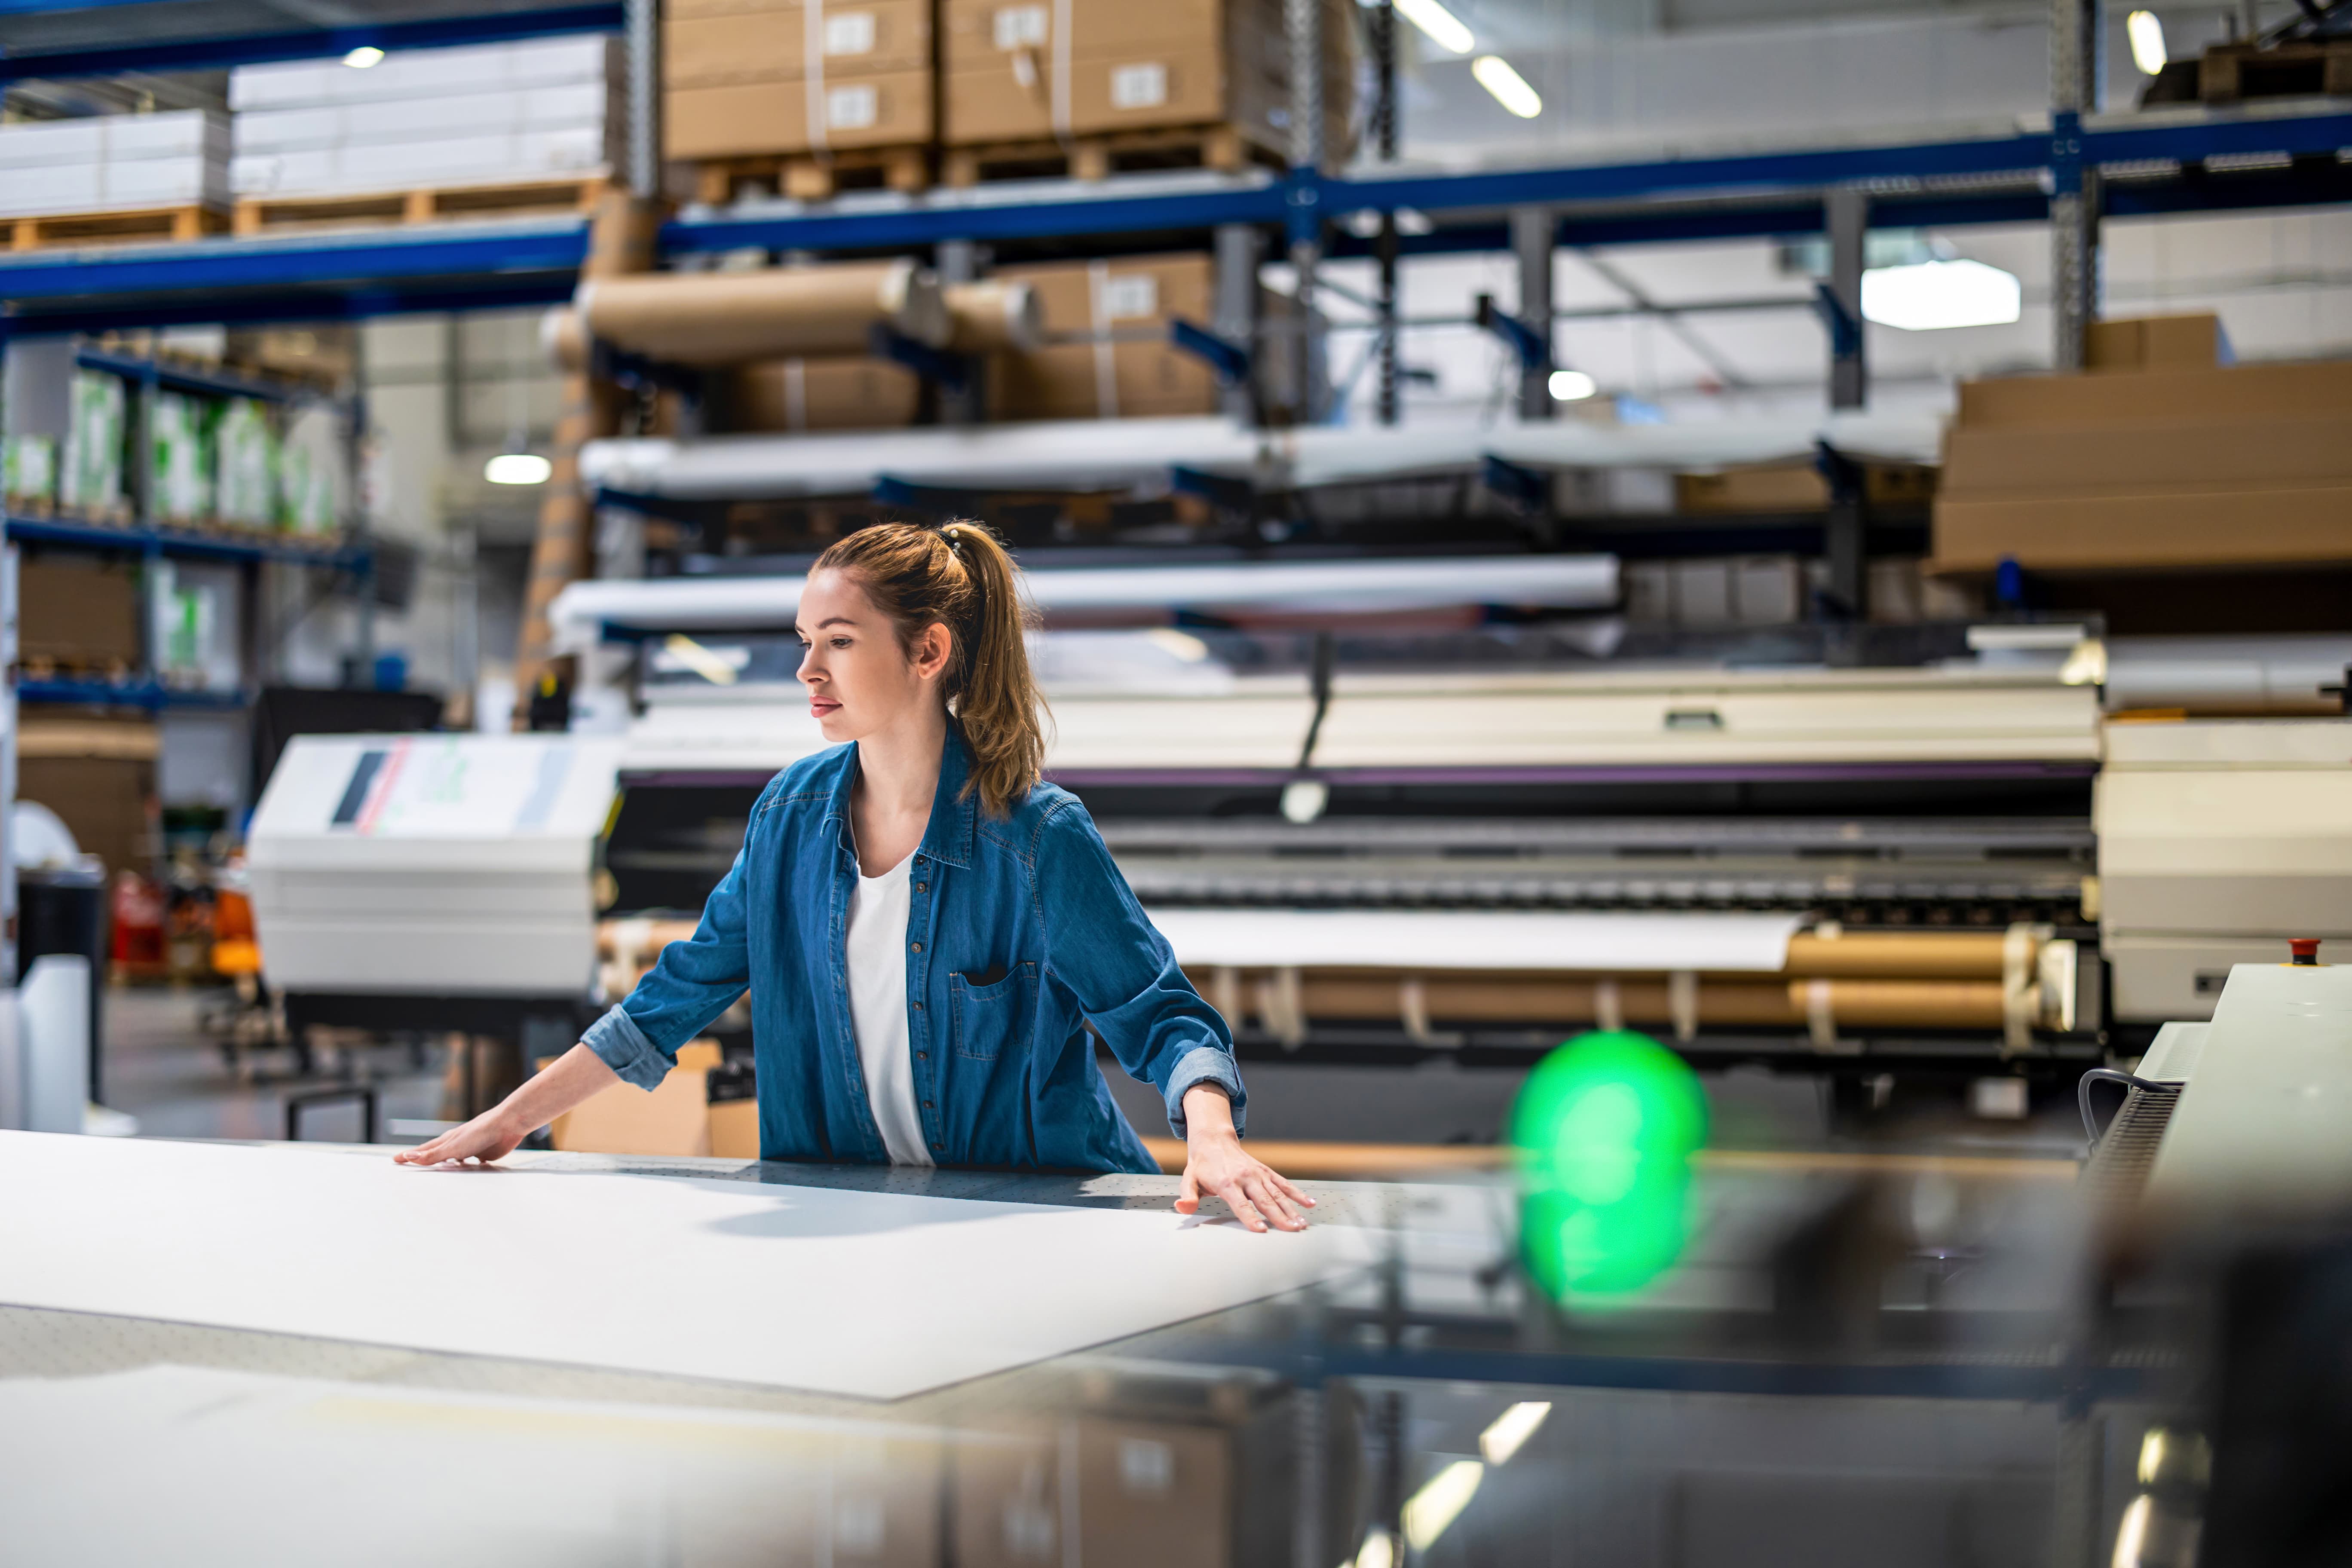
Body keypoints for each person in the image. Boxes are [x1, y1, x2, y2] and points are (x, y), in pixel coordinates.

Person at [399, 521, 1313, 1233]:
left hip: (1035, 1220)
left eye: (838, 641)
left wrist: (1215, 1139)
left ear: (928, 653)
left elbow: (1161, 1018)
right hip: (851, 1208)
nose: (807, 670)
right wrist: (510, 1121)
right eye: (805, 641)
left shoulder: (1034, 838)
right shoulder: (790, 818)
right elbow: (676, 995)